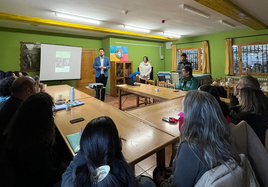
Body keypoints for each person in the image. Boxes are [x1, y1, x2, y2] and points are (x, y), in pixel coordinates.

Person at [154, 90, 254, 187]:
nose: (182, 114)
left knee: (152, 176)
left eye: (184, 110)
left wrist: (161, 182)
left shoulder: (190, 147)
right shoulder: (224, 138)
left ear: (191, 117)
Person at [0, 93, 66, 186]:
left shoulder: (19, 130)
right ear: (44, 117)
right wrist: (68, 171)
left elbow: (50, 153)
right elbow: (48, 178)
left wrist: (61, 164)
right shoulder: (35, 144)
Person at [62, 116, 136, 187]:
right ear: (120, 144)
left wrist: (86, 147)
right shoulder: (140, 181)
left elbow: (67, 174)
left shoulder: (73, 183)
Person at [0, 76, 36, 152]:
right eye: (35, 86)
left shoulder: (12, 101)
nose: (37, 89)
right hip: (12, 152)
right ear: (28, 90)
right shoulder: (21, 109)